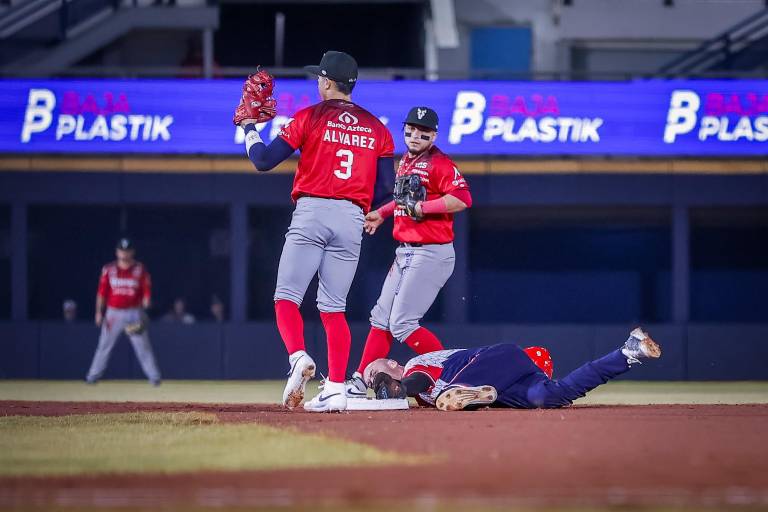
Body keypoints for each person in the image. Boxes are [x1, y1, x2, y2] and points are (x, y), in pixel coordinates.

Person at [234, 51, 395, 412]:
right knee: (334, 310)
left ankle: (297, 357)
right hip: (352, 218)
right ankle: (336, 388)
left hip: (312, 211)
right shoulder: (377, 127)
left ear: (325, 81)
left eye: (318, 79)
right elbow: (387, 189)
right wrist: (370, 210)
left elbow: (263, 161)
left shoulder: (310, 116)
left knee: (287, 298)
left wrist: (247, 127)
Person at [344, 106, 472, 398]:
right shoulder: (406, 160)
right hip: (406, 251)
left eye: (423, 131)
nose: (415, 135)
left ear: (434, 135)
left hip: (431, 252)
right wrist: (383, 213)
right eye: (410, 130)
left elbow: (463, 198)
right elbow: (404, 200)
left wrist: (424, 207)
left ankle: (451, 376)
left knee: (402, 323)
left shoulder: (439, 163)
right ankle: (361, 381)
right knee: (381, 318)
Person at [363, 327, 661, 411]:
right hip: (504, 383)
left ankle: (469, 394)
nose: (374, 380)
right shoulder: (420, 394)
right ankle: (627, 352)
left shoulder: (416, 365)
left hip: (499, 360)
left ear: (392, 364)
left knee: (454, 389)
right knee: (550, 397)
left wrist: (397, 390)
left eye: (374, 374)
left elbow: (415, 382)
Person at [86, 238, 161, 386]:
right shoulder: (109, 269)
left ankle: (154, 377)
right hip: (113, 313)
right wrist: (98, 313)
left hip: (134, 313)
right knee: (104, 345)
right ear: (117, 252)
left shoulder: (140, 269)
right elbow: (101, 293)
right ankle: (92, 376)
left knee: (142, 346)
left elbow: (146, 291)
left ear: (132, 252)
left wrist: (146, 301)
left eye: (127, 251)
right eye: (121, 250)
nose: (124, 254)